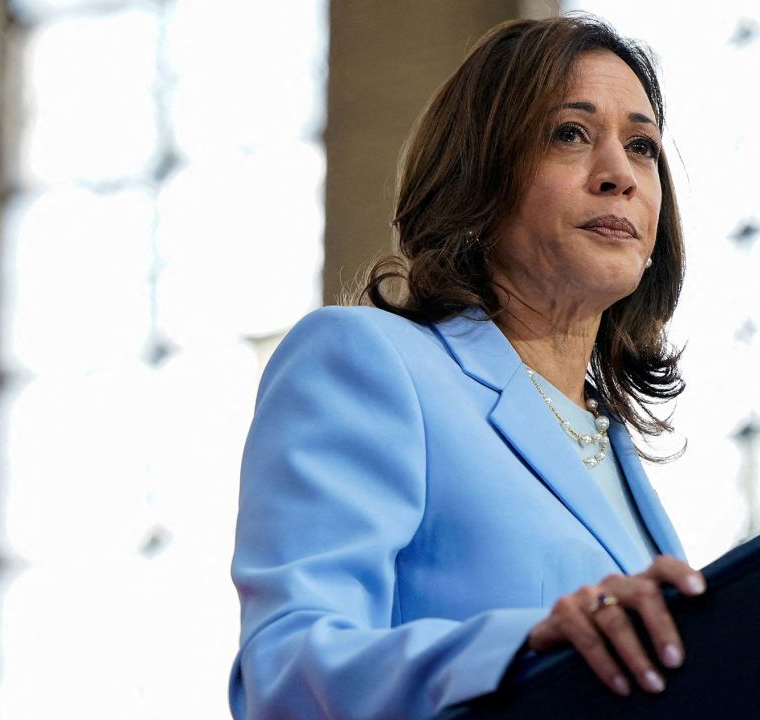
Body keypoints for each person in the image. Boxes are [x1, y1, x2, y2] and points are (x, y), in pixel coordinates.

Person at [229, 14, 707, 720]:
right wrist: (521, 647)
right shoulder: (367, 362)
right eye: (570, 134)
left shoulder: (612, 449)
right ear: (480, 170)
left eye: (642, 147)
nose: (619, 176)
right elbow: (286, 675)